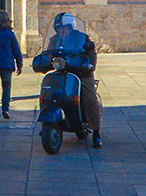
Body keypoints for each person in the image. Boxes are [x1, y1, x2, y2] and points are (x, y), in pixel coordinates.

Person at [39, 12, 103, 147]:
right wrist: (43, 60)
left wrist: (90, 65)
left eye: (65, 28)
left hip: (81, 73)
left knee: (90, 99)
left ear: (71, 27)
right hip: (62, 72)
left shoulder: (81, 37)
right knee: (48, 93)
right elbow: (48, 52)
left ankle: (96, 132)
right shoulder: (54, 39)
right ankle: (49, 119)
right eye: (60, 28)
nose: (62, 31)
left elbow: (91, 53)